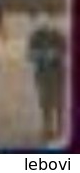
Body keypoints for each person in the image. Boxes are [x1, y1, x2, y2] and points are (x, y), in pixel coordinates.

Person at [27, 13, 67, 141]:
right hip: (42, 74)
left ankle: (61, 128)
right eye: (42, 25)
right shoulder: (35, 37)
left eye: (47, 25)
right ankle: (47, 128)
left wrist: (54, 54)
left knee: (59, 101)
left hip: (58, 74)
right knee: (44, 102)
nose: (45, 27)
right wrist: (40, 55)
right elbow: (29, 55)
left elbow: (65, 51)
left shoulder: (59, 36)